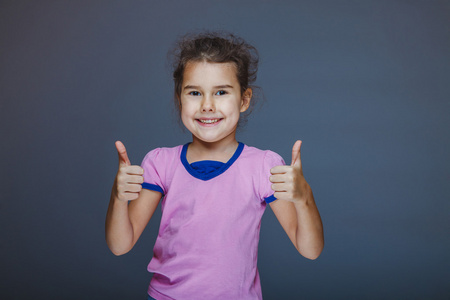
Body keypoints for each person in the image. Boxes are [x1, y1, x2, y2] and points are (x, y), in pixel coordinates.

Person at [105, 32, 324, 300]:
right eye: (195, 93)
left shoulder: (263, 166)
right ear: (179, 99)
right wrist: (118, 198)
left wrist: (305, 198)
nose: (207, 105)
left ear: (244, 100)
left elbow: (310, 250)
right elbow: (120, 245)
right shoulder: (160, 163)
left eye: (221, 92)